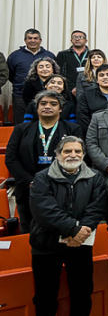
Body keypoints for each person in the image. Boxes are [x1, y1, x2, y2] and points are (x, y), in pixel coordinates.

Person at [25, 136, 107, 316]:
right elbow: (44, 211)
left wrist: (80, 233)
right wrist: (72, 229)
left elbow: (97, 207)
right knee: (44, 295)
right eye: (67, 151)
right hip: (46, 244)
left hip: (80, 244)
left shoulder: (95, 177)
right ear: (58, 154)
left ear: (83, 154)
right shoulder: (42, 178)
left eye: (78, 151)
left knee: (82, 290)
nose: (73, 155)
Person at [5, 91, 81, 233]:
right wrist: (30, 181)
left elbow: (77, 158)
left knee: (61, 229)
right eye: (43, 103)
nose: (47, 107)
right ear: (37, 108)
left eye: (53, 104)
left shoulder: (72, 130)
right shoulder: (21, 129)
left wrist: (58, 181)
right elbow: (11, 158)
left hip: (62, 188)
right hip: (28, 188)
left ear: (60, 109)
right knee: (29, 229)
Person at [7, 28, 55, 124]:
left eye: (35, 38)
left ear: (40, 40)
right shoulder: (15, 55)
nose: (33, 41)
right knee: (21, 124)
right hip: (20, 96)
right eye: (30, 38)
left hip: (45, 95)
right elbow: (10, 74)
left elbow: (55, 74)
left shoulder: (49, 55)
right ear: (25, 40)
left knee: (43, 123)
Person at [76, 64, 108, 134]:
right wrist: (94, 131)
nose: (105, 77)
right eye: (101, 75)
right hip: (93, 133)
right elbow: (82, 117)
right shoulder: (86, 95)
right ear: (97, 80)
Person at [54, 30, 89, 97]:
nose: (77, 39)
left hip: (88, 89)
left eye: (80, 37)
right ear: (71, 40)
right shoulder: (63, 54)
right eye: (74, 37)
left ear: (86, 40)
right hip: (68, 90)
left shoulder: (92, 55)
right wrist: (72, 88)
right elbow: (58, 73)